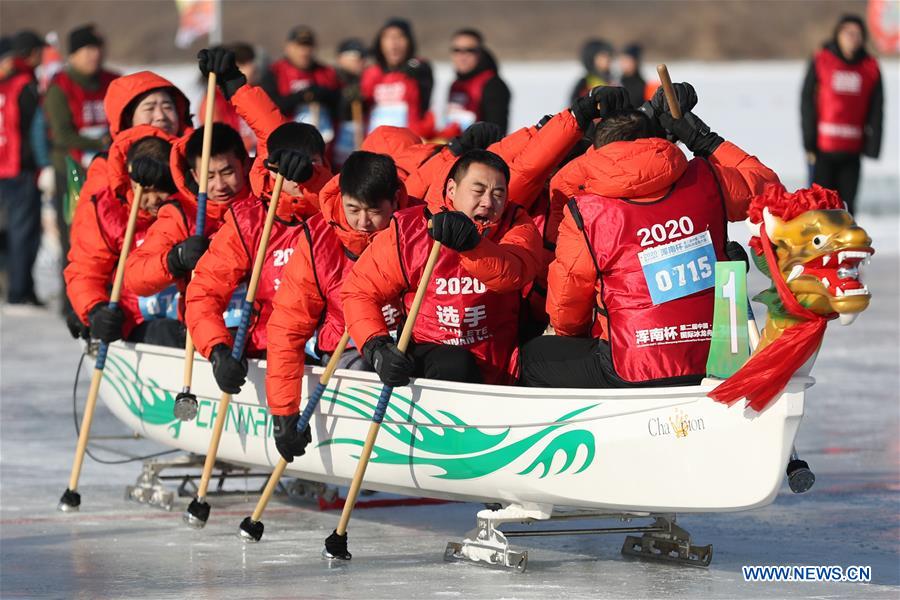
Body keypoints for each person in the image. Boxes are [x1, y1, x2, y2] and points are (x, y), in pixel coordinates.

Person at [520, 84, 780, 389]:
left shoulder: (585, 211)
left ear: (600, 152)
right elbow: (770, 191)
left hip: (633, 366)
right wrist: (702, 138)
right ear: (657, 140)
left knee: (531, 357)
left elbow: (567, 307)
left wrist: (574, 334)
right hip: (717, 359)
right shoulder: (708, 178)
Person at [186, 48, 333, 395]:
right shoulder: (251, 219)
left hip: (329, 348)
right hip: (266, 344)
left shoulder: (338, 210)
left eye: (309, 163)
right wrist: (218, 350)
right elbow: (205, 293)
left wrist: (236, 86)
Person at [342, 150, 543, 386]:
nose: (488, 202)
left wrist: (472, 245)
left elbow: (514, 274)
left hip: (503, 362)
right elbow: (358, 292)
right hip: (433, 360)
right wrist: (376, 347)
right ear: (451, 190)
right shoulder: (410, 230)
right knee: (456, 364)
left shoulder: (517, 223)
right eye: (478, 191)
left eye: (498, 194)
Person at [266, 151, 408, 462]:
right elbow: (289, 324)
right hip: (347, 348)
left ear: (395, 201)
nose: (362, 222)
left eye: (373, 211)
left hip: (407, 342)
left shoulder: (416, 228)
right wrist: (284, 412)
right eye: (353, 209)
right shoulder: (317, 238)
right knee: (364, 372)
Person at [64, 128, 187, 347]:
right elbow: (86, 270)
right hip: (134, 321)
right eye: (145, 191)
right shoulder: (111, 213)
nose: (153, 200)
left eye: (160, 190)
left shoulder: (186, 212)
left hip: (184, 318)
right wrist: (94, 310)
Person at [124, 123, 254, 322]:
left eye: (227, 173)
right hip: (203, 330)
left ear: (244, 164)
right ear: (194, 175)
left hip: (263, 326)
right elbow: (134, 276)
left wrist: (241, 94)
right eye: (209, 176)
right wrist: (175, 259)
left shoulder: (264, 198)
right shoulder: (182, 212)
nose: (219, 185)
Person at [44, 24, 118, 262]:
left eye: (97, 49)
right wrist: (99, 141)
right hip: (71, 170)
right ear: (73, 55)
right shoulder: (60, 87)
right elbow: (61, 134)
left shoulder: (112, 81)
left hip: (109, 169)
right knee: (75, 233)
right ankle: (73, 295)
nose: (93, 55)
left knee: (109, 230)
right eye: (87, 50)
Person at [801, 14, 883, 214]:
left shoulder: (870, 67)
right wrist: (808, 140)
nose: (853, 38)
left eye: (857, 34)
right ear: (838, 35)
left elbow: (877, 108)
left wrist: (873, 145)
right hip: (823, 150)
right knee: (820, 206)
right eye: (848, 33)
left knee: (847, 208)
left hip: (852, 150)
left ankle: (845, 245)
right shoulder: (822, 60)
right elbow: (807, 101)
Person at [0, 37, 43, 307]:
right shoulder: (23, 83)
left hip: (7, 166)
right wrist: (44, 164)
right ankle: (19, 291)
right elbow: (36, 129)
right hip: (19, 168)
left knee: (9, 232)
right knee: (23, 233)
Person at [261, 26, 341, 144]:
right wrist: (302, 96)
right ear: (288, 47)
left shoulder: (326, 72)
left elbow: (339, 104)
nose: (304, 52)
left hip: (323, 142)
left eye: (308, 46)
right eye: (299, 46)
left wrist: (324, 94)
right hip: (287, 141)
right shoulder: (275, 72)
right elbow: (269, 107)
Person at [361, 18, 437, 138]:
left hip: (408, 141)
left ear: (409, 41)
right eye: (388, 37)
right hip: (375, 142)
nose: (394, 43)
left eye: (399, 37)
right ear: (380, 42)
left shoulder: (418, 69)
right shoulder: (371, 73)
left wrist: (415, 72)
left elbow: (425, 88)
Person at [445, 29, 511, 135]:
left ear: (480, 53)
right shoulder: (455, 85)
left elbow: (496, 133)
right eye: (457, 50)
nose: (462, 56)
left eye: (469, 50)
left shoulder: (493, 85)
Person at [200, 43, 258, 155]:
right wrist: (249, 142)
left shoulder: (254, 94)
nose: (252, 67)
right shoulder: (213, 100)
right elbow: (216, 139)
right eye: (243, 63)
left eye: (251, 62)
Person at [333, 38, 367, 167]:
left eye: (363, 57)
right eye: (356, 57)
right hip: (339, 142)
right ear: (341, 58)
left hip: (359, 138)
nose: (361, 61)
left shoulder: (364, 79)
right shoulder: (333, 79)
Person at [569, 39, 613, 104]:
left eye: (609, 56)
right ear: (592, 59)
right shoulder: (585, 84)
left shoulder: (613, 81)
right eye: (603, 56)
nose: (608, 59)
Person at [618, 43, 648, 108]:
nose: (624, 64)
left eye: (627, 61)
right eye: (622, 60)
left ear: (636, 62)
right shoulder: (617, 82)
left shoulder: (642, 85)